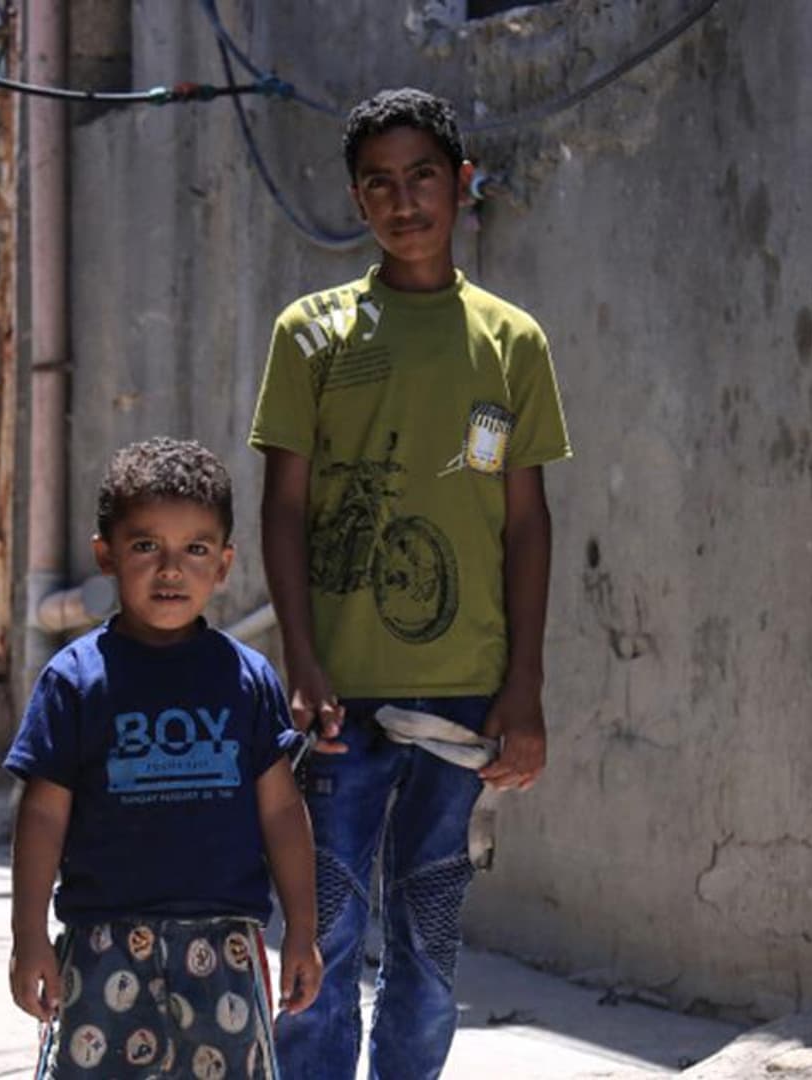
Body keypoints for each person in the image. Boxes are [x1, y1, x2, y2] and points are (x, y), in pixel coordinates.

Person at [249, 87, 571, 1079]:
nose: (404, 200)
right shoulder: (312, 333)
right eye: (380, 183)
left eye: (423, 175)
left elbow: (525, 522)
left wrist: (524, 687)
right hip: (341, 697)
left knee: (429, 944)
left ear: (462, 185)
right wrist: (301, 662)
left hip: (466, 691)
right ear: (357, 199)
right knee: (320, 936)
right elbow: (285, 510)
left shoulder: (511, 342)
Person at [5, 436, 324, 1078]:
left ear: (226, 563)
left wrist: (303, 931)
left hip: (226, 951)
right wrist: (28, 938)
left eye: (196, 549)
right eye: (147, 546)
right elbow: (42, 818)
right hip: (102, 947)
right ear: (107, 555)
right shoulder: (75, 681)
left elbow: (283, 814)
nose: (171, 569)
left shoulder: (247, 679)